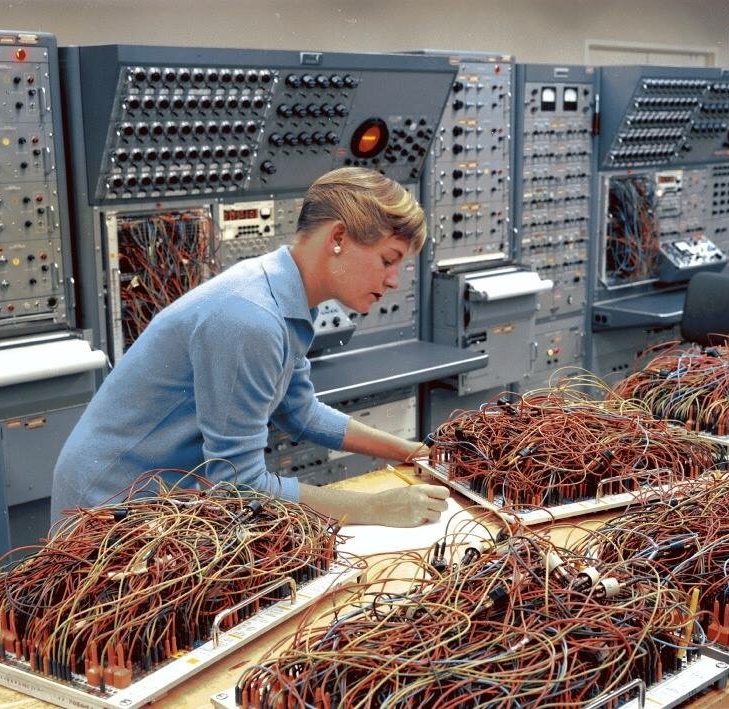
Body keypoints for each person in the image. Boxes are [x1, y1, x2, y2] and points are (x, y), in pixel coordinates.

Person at [51, 167, 449, 527]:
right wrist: (376, 508)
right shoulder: (251, 317)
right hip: (108, 506)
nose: (395, 280)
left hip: (161, 497)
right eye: (388, 259)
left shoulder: (284, 296)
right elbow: (239, 487)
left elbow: (301, 412)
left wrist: (410, 452)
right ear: (339, 237)